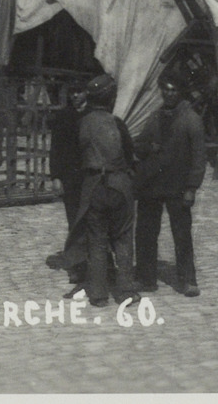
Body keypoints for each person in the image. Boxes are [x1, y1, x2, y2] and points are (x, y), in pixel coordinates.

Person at [133, 78, 206, 297]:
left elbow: (199, 157)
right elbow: (139, 145)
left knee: (182, 234)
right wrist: (149, 147)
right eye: (166, 89)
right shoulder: (155, 117)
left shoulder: (191, 119)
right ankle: (146, 278)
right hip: (152, 184)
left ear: (180, 92)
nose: (169, 94)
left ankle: (188, 280)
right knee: (146, 232)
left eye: (174, 90)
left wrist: (192, 187)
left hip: (178, 185)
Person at [69, 74, 134, 307]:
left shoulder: (82, 124)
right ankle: (125, 291)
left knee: (96, 240)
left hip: (94, 187)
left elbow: (76, 157)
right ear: (111, 99)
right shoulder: (117, 124)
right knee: (123, 238)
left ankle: (98, 294)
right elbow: (129, 154)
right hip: (119, 185)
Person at [44, 81, 87, 277]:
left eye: (79, 91)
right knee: (74, 221)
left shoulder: (93, 115)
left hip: (90, 176)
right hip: (71, 177)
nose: (75, 96)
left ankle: (99, 266)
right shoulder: (63, 116)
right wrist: (56, 176)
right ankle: (77, 266)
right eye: (72, 92)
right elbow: (56, 149)